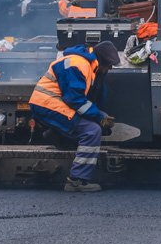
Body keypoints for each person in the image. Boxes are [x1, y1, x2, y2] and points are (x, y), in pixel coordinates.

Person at [29, 41, 120, 192]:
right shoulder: (78, 65)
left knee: (86, 126)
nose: (109, 69)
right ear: (101, 60)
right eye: (109, 65)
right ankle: (77, 181)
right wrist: (99, 117)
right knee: (91, 131)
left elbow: (89, 97)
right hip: (46, 104)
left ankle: (54, 135)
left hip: (48, 103)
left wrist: (100, 115)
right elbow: (74, 100)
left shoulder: (89, 65)